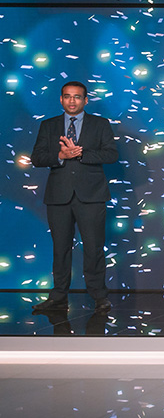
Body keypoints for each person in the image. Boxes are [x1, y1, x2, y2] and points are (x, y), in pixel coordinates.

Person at [30, 80, 118, 313]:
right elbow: (36, 158)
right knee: (60, 249)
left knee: (94, 248)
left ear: (85, 100)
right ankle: (58, 296)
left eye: (77, 96)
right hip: (58, 196)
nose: (72, 100)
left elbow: (111, 154)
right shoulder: (48, 125)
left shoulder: (100, 124)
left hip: (92, 196)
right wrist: (60, 155)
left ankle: (99, 296)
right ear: (61, 99)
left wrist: (80, 154)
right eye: (67, 96)